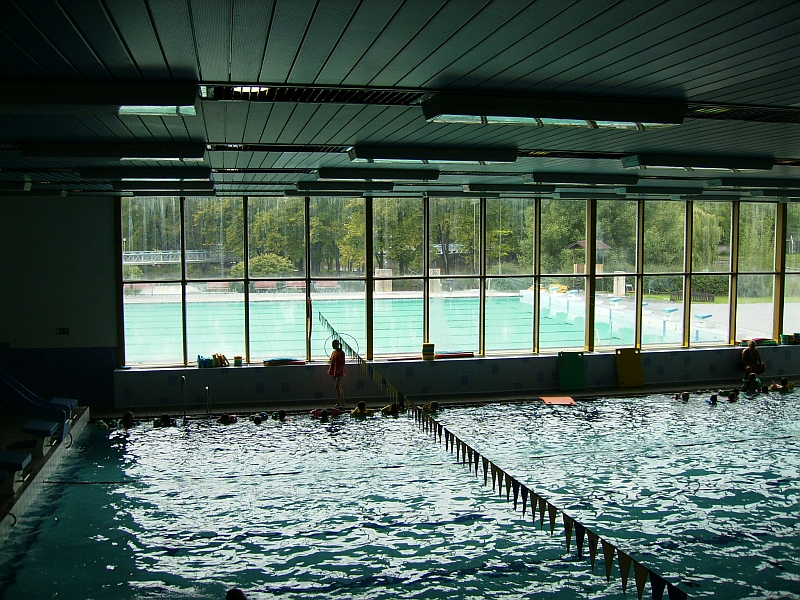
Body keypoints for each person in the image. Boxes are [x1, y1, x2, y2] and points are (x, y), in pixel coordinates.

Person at [328, 339, 346, 406]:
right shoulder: (334, 352)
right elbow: (332, 361)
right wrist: (330, 370)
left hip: (339, 370)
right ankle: (342, 402)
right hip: (335, 370)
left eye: (333, 344)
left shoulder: (341, 353)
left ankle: (339, 402)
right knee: (339, 387)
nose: (332, 346)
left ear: (337, 345)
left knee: (337, 386)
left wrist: (340, 370)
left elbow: (343, 362)